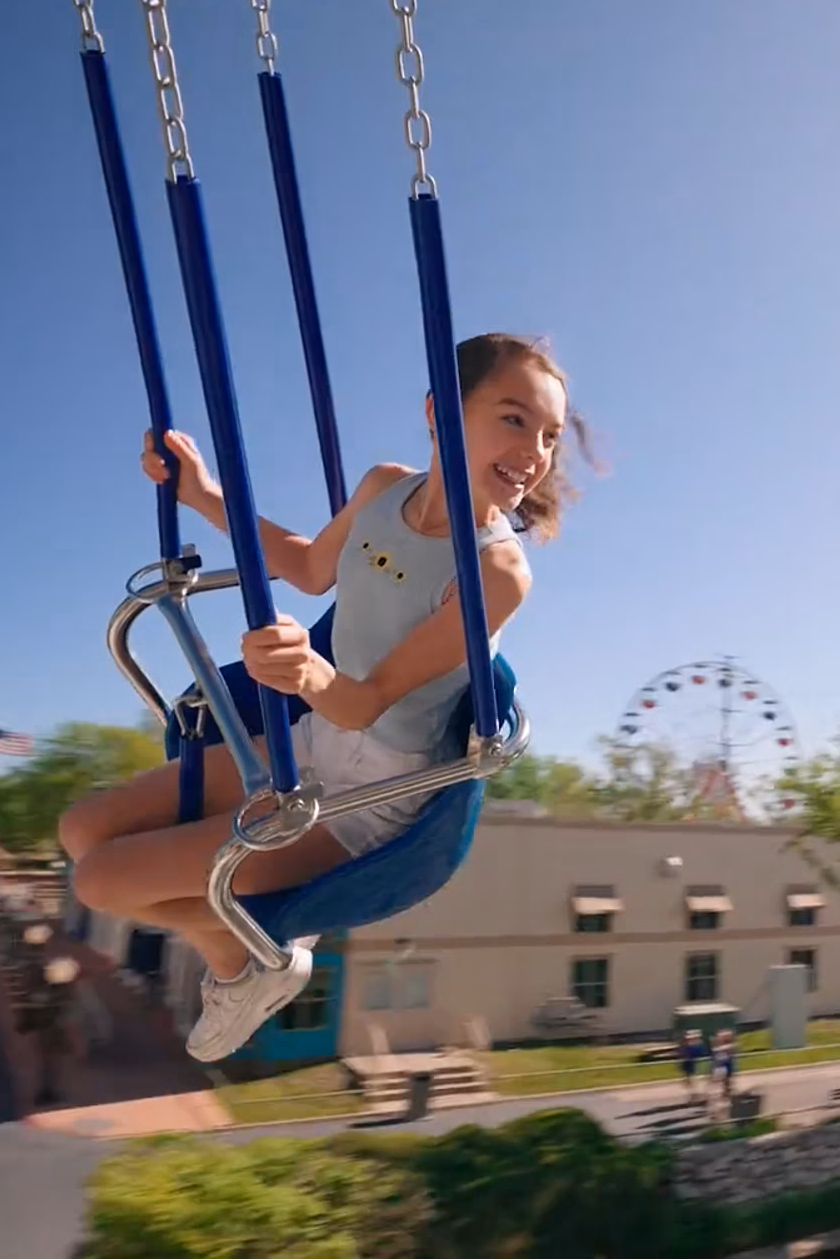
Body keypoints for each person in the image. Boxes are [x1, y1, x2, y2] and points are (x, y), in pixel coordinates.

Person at [58, 333, 590, 1061]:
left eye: (550, 436)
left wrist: (305, 671)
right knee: (82, 829)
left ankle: (247, 954)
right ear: (440, 410)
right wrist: (202, 493)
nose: (535, 453)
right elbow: (309, 568)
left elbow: (365, 702)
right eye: (515, 419)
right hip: (315, 739)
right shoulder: (383, 488)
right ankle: (240, 942)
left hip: (366, 798)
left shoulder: (496, 573)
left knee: (99, 881)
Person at [679, 1028, 706, 1102]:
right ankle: (693, 1093)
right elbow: (683, 1053)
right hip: (686, 1062)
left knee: (691, 1078)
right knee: (688, 1079)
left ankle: (694, 1094)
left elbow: (697, 1053)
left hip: (690, 1062)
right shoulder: (686, 1044)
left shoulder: (692, 1045)